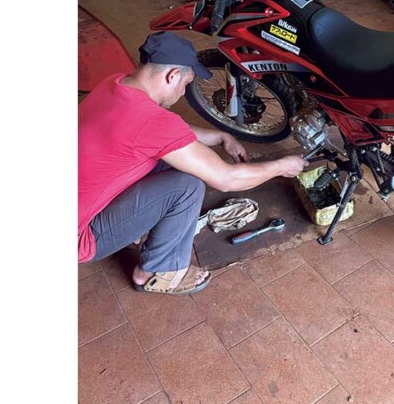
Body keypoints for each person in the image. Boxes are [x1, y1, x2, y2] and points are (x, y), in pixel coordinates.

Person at [78, 32, 308, 296]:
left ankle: (139, 231)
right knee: (188, 186)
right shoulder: (150, 122)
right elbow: (226, 179)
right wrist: (282, 166)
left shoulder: (116, 83)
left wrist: (221, 136)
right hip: (80, 237)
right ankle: (156, 273)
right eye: (186, 83)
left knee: (176, 161)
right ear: (172, 75)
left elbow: (170, 131)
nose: (183, 91)